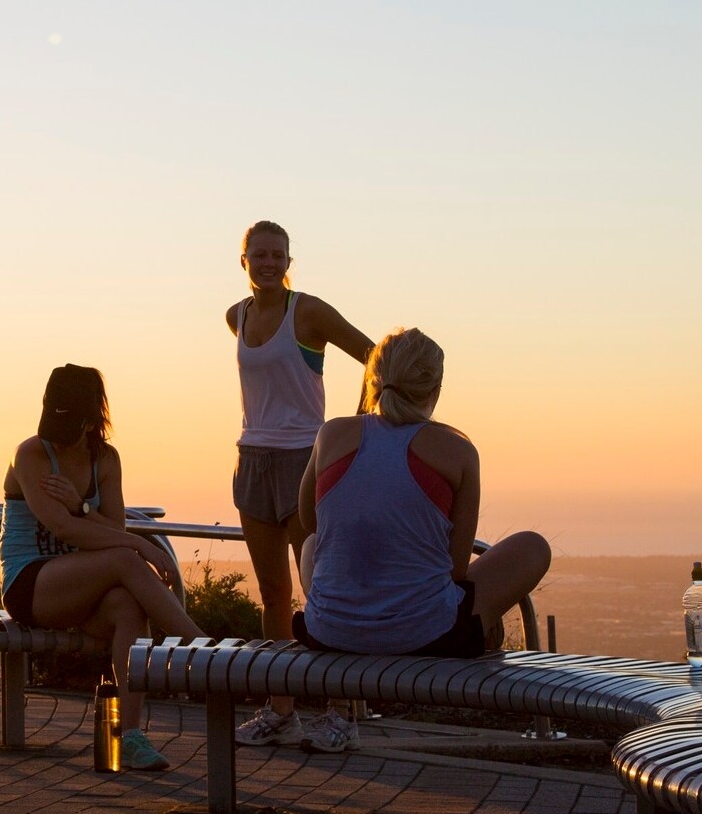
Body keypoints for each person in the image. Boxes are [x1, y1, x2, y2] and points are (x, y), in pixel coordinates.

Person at [294, 329, 551, 656]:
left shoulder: (331, 434)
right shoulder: (458, 450)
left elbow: (310, 521)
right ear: (434, 390)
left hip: (329, 632)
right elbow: (456, 568)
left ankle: (344, 614)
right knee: (534, 546)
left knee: (311, 545)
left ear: (374, 379)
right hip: (426, 637)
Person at [0, 364, 205, 770]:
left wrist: (81, 506)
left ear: (91, 420)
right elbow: (63, 527)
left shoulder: (106, 459)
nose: (58, 437)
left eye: (69, 427)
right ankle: (204, 652)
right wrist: (141, 545)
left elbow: (111, 530)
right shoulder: (31, 454)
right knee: (126, 560)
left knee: (129, 607)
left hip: (82, 587)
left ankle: (129, 735)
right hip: (31, 584)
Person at [226, 220, 373, 752]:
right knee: (273, 595)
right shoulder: (236, 316)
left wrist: (355, 425)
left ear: (290, 262)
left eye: (278, 255)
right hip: (252, 460)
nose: (269, 263)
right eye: (259, 254)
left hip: (305, 462)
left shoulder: (308, 311)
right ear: (243, 259)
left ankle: (342, 712)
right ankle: (281, 711)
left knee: (322, 591)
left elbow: (375, 357)